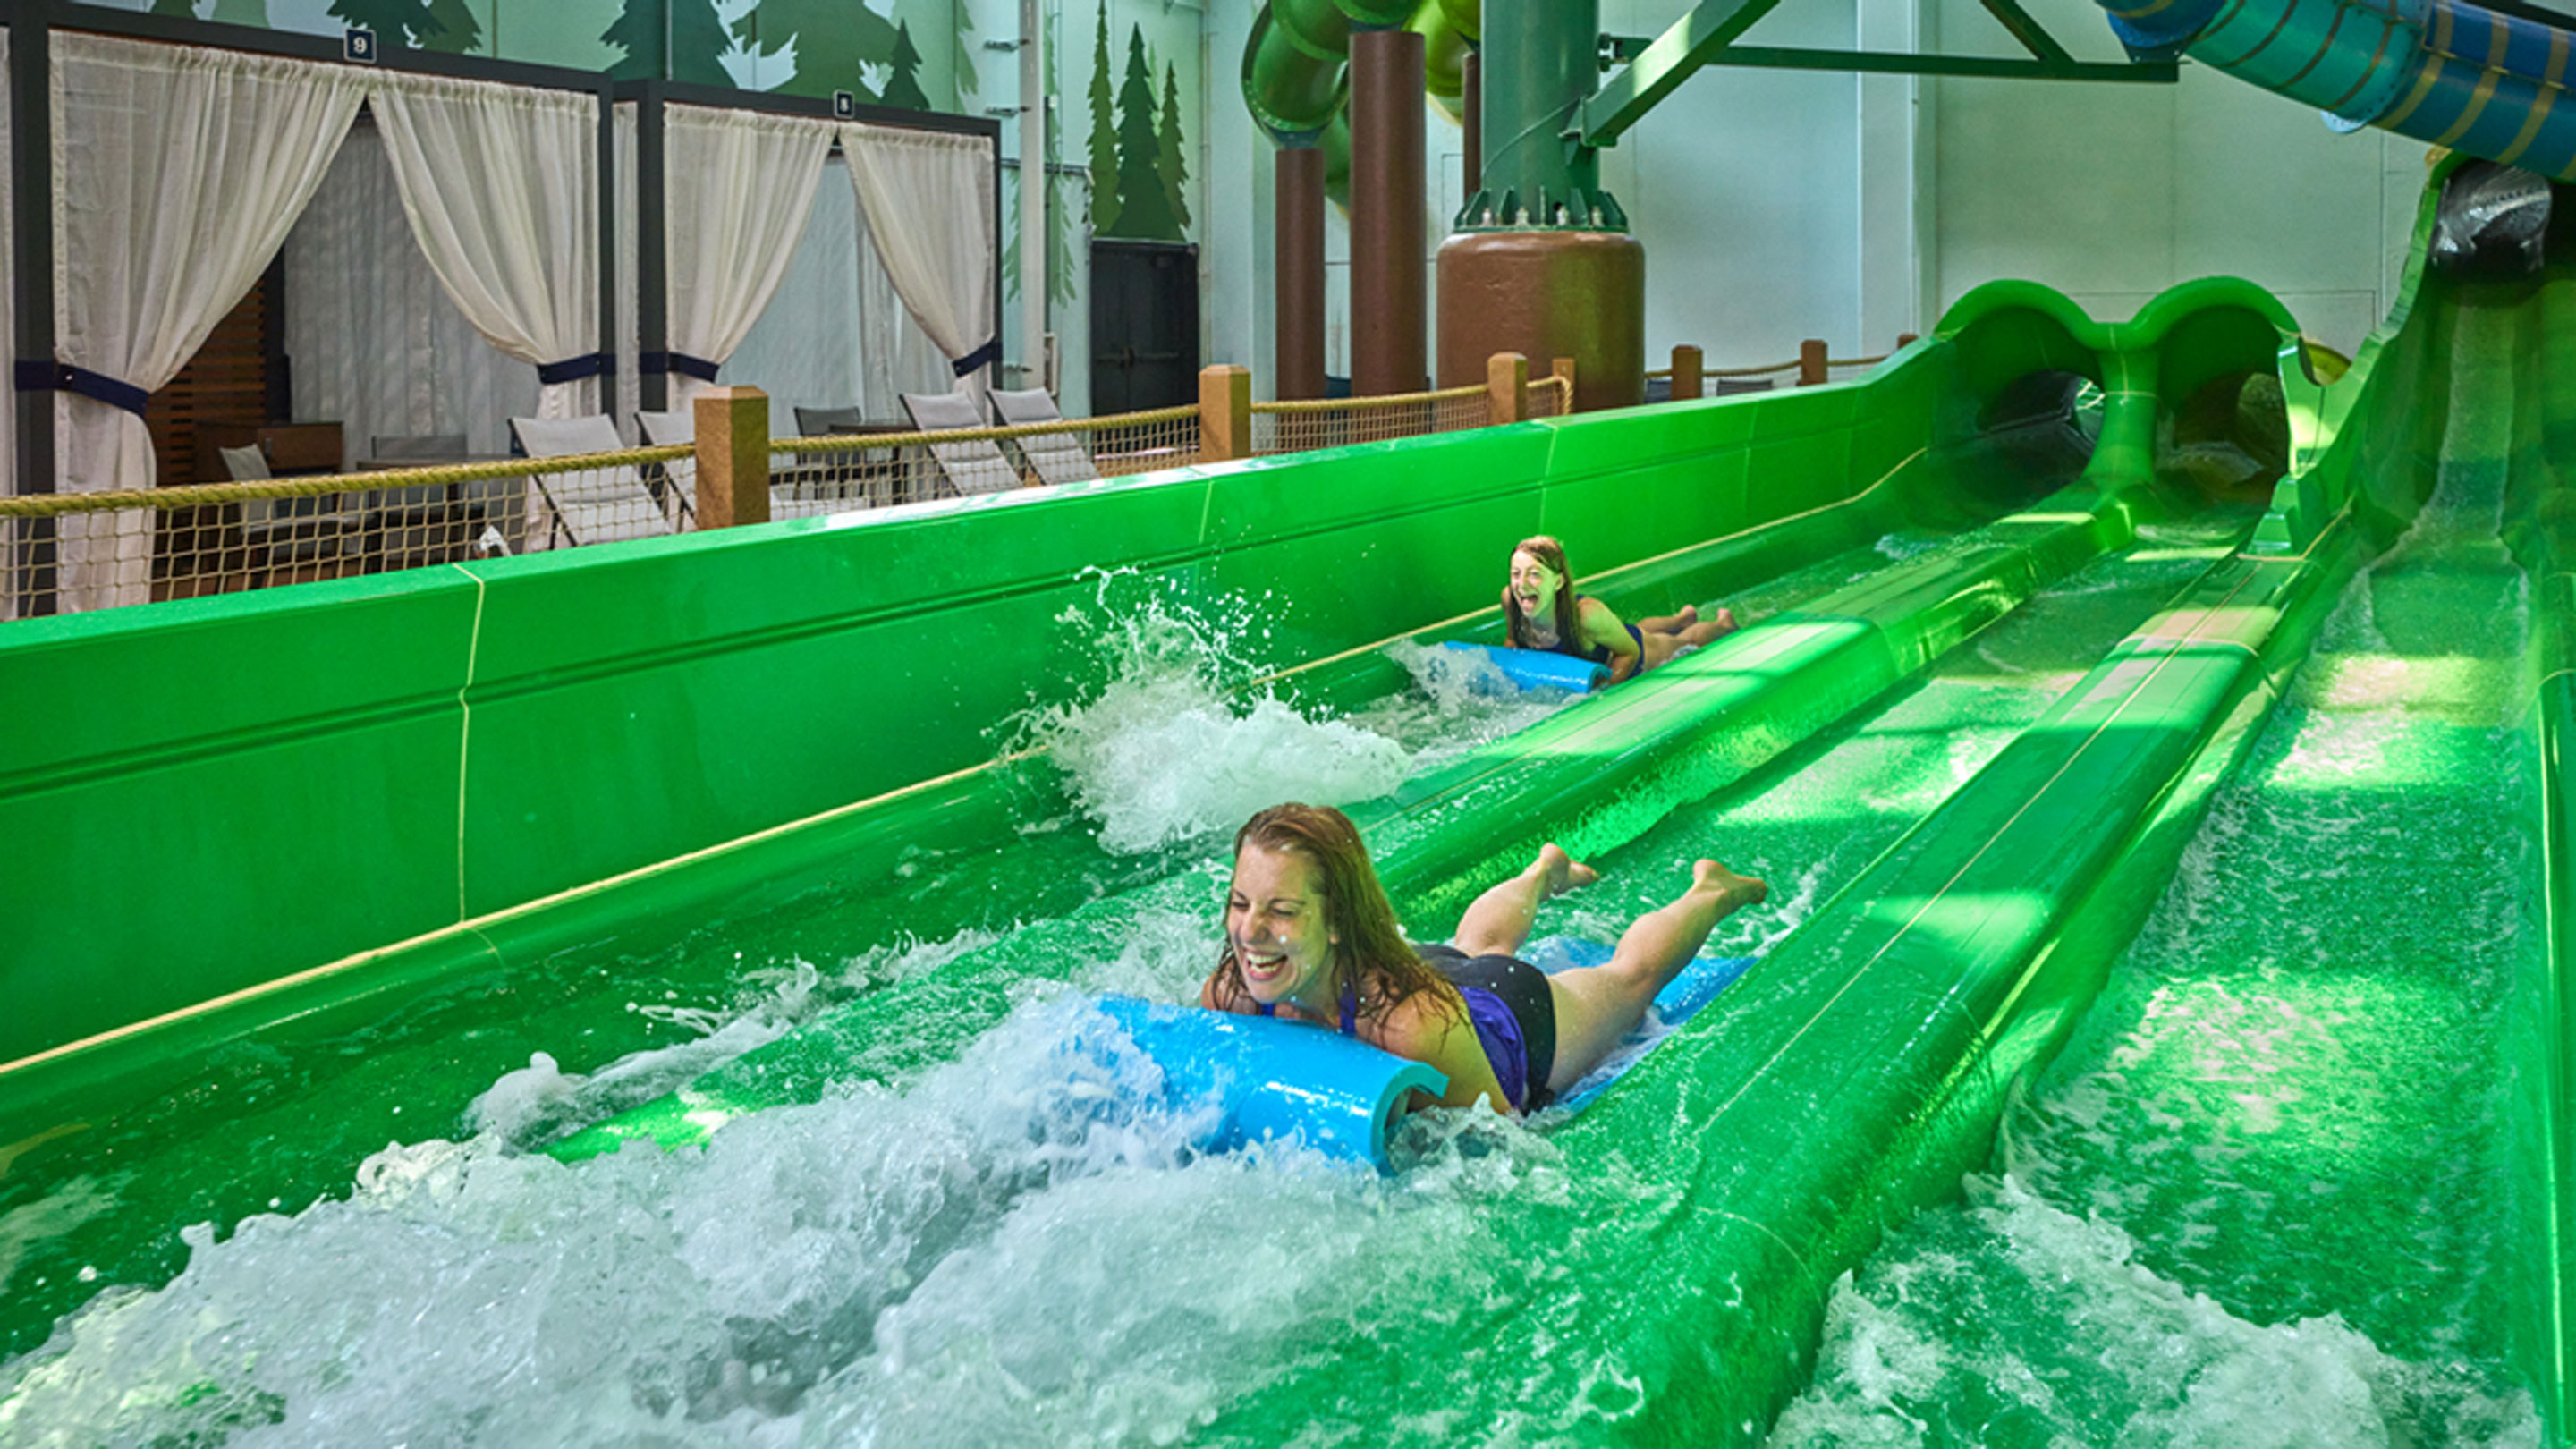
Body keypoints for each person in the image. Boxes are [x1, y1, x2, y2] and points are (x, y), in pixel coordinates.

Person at [1200, 803, 1767, 1115]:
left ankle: (1711, 892)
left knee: (1630, 979)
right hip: (1414, 976)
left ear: (1337, 924)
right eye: (1240, 902)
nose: (1250, 933)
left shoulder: (1414, 1028)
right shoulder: (1236, 989)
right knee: (1473, 947)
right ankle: (1541, 873)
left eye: (1282, 911)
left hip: (1506, 1020)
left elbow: (1504, 1136)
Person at [1502, 534, 1736, 684]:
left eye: (1534, 575)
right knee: (1637, 628)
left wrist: (1604, 691)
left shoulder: (1587, 616)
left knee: (1676, 643)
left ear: (1559, 582)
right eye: (1516, 574)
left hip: (1628, 657)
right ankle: (1681, 619)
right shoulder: (1511, 599)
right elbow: (1513, 641)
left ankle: (1721, 625)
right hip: (1609, 636)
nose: (1521, 585)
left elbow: (1629, 652)